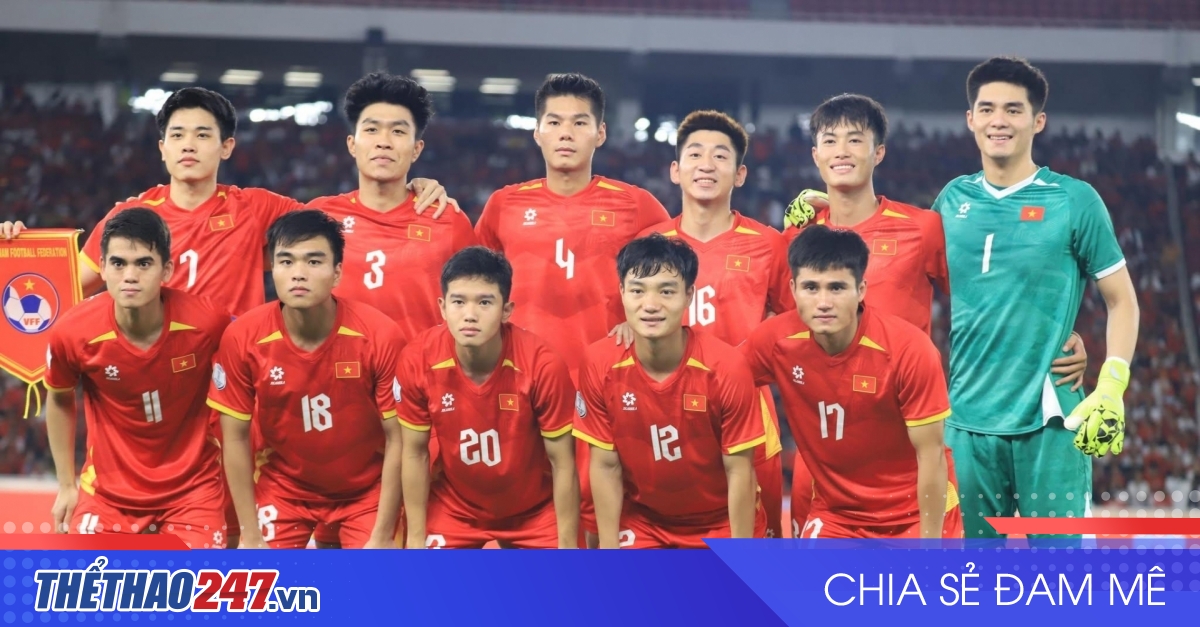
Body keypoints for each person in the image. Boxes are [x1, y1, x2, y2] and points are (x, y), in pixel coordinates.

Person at [0, 85, 457, 548]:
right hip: (157, 392)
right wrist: (18, 251)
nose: (189, 145)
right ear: (161, 147)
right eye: (178, 135)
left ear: (227, 146)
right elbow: (61, 289)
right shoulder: (131, 218)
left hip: (231, 395)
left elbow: (329, 229)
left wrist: (415, 187)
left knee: (232, 547)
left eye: (203, 135)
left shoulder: (256, 208)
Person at [779, 93, 1088, 537]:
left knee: (922, 574)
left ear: (879, 152)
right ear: (815, 154)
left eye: (855, 139)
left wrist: (1059, 330)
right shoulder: (797, 236)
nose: (842, 151)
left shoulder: (921, 228)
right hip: (823, 447)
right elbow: (773, 318)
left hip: (908, 445)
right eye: (830, 141)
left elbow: (986, 292)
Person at [932, 56, 1139, 538]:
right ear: (970, 119)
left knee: (1058, 572)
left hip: (1051, 422)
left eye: (1013, 110)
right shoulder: (951, 200)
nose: (998, 121)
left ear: (1037, 121)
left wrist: (1112, 385)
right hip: (966, 422)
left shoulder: (1074, 200)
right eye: (987, 109)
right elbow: (898, 272)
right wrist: (834, 209)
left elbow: (1123, 301)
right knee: (970, 574)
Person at [475, 73, 670, 546]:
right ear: (537, 131)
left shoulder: (636, 205)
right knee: (520, 518)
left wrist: (639, 321)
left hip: (601, 386)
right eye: (555, 122)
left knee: (595, 520)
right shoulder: (504, 205)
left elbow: (674, 276)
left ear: (600, 133)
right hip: (517, 383)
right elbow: (476, 284)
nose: (566, 133)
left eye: (580, 123)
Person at [304, 72, 478, 548]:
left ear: (417, 149)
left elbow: (477, 311)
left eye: (398, 131)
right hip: (334, 413)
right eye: (372, 129)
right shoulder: (318, 218)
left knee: (400, 559)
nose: (384, 141)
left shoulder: (447, 220)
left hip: (420, 416)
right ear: (352, 144)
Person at [743, 225, 962, 538]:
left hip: (915, 514)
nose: (823, 302)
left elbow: (932, 457)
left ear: (861, 290)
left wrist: (930, 549)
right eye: (810, 287)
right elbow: (714, 380)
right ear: (792, 289)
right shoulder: (775, 340)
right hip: (838, 516)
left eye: (837, 288)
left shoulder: (908, 350)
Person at [631, 110, 790, 538]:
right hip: (662, 413)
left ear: (740, 174)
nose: (706, 165)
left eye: (720, 156)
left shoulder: (769, 245)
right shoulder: (647, 246)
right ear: (675, 170)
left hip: (748, 414)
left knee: (760, 548)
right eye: (695, 154)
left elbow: (794, 324)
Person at [206, 210, 405, 548]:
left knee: (377, 578)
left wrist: (383, 534)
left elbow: (399, 439)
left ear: (337, 272)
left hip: (366, 492)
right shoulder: (243, 337)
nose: (298, 273)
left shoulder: (380, 335)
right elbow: (235, 438)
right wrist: (250, 533)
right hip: (283, 489)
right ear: (273, 268)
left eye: (313, 262)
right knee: (262, 578)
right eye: (286, 261)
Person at [43, 208, 230, 547]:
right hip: (105, 496)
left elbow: (258, 349)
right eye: (118, 263)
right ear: (102, 267)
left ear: (167, 270)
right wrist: (66, 485)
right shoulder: (73, 331)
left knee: (196, 582)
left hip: (193, 494)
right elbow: (58, 398)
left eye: (143, 263)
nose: (130, 275)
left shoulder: (207, 323)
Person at [574, 234, 766, 548]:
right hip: (645, 522)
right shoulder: (599, 362)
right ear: (621, 292)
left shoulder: (726, 367)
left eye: (666, 291)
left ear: (689, 295)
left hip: (719, 522)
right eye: (637, 291)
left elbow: (739, 472)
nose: (650, 305)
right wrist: (609, 556)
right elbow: (606, 465)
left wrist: (740, 556)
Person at [398, 246, 579, 549]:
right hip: (454, 508)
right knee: (420, 578)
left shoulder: (542, 365)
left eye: (485, 302)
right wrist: (415, 539)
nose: (470, 315)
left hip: (535, 512)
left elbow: (563, 464)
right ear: (442, 307)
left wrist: (567, 546)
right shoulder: (417, 359)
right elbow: (415, 453)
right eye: (458, 302)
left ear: (506, 310)